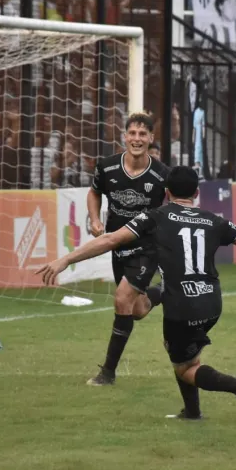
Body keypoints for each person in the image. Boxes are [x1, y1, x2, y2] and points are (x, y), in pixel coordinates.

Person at [38, 166, 236, 421]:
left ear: (165, 192)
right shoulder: (214, 220)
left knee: (185, 368)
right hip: (212, 302)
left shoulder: (155, 217)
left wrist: (66, 259)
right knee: (184, 353)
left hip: (182, 306)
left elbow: (111, 239)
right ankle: (192, 413)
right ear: (197, 193)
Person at [86, 112, 170, 386]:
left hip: (147, 248)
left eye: (142, 134)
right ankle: (163, 293)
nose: (137, 139)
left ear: (151, 139)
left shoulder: (161, 174)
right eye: (132, 133)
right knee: (137, 309)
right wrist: (96, 219)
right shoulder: (107, 167)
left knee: (122, 299)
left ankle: (107, 372)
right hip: (117, 245)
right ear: (125, 136)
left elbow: (176, 204)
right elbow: (94, 192)